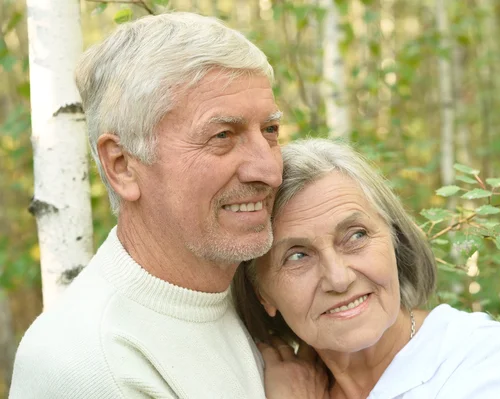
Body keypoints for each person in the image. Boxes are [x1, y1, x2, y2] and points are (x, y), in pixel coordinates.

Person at [10, 13, 325, 398]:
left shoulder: (250, 290)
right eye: (223, 135)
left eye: (270, 131)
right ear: (122, 166)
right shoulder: (91, 363)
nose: (269, 171)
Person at [233, 138, 500, 399]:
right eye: (297, 256)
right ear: (263, 294)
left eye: (356, 236)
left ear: (395, 239)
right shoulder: (260, 383)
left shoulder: (493, 362)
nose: (339, 278)